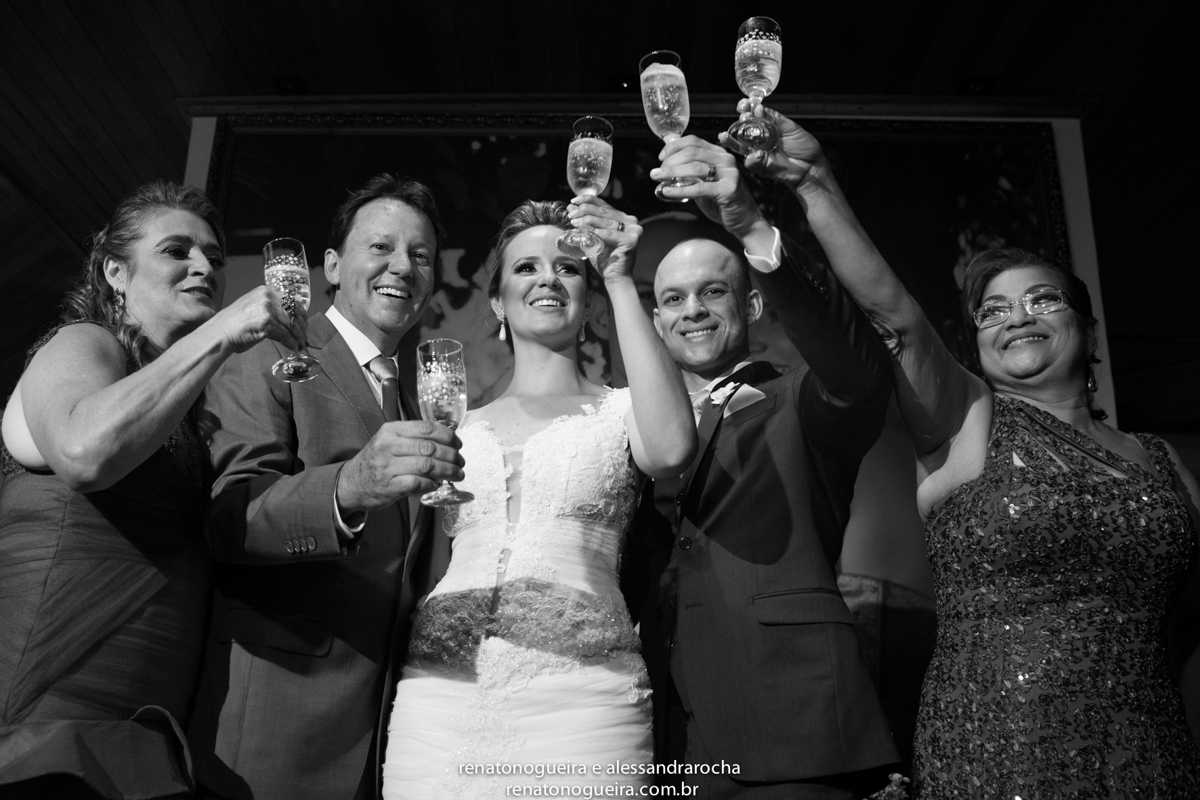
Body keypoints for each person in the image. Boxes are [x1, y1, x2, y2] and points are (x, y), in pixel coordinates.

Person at [727, 104, 1200, 796]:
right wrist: (812, 181)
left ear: (1091, 337)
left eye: (1043, 301)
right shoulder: (969, 416)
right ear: (978, 342)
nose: (1019, 317)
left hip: (1150, 748)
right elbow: (894, 323)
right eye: (994, 310)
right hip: (999, 744)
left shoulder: (1161, 461)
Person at [381, 197, 696, 798]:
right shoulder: (455, 427)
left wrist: (622, 277)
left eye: (569, 267)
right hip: (438, 701)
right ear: (497, 302)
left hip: (581, 702)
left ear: (590, 299)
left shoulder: (623, 410)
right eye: (526, 267)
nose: (548, 277)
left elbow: (672, 450)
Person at [0, 180, 302, 799]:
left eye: (214, 258)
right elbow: (86, 454)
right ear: (115, 270)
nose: (203, 267)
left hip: (154, 709)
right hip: (53, 698)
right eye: (177, 250)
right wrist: (220, 333)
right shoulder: (81, 344)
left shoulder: (191, 410)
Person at [186, 175, 465, 800]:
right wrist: (348, 487)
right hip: (280, 708)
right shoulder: (268, 350)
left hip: (387, 723)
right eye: (382, 248)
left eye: (420, 256)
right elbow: (232, 516)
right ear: (332, 266)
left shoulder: (419, 394)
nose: (403, 266)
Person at [642, 135, 901, 797]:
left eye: (712, 292)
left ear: (753, 304)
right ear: (655, 321)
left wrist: (753, 228)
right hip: (664, 731)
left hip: (795, 721)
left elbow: (859, 373)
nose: (692, 310)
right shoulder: (630, 426)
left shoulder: (803, 399)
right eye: (672, 299)